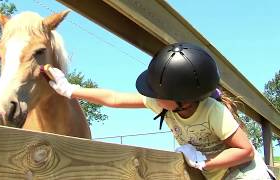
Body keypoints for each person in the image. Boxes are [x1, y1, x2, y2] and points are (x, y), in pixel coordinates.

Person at [47, 42, 274, 179]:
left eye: (159, 93)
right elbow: (114, 98)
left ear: (182, 100)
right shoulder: (163, 103)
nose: (153, 96)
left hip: (247, 175)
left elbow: (245, 151)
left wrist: (205, 162)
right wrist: (71, 89)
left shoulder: (214, 112)